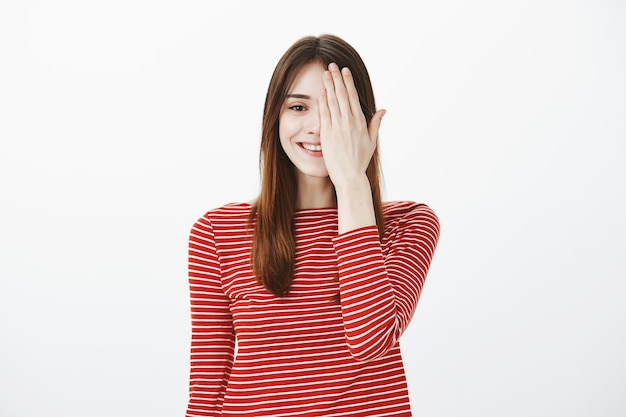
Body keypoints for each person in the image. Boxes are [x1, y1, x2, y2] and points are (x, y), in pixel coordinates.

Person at [185, 34, 440, 416]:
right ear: (275, 118)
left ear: (365, 122)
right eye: (299, 107)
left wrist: (352, 181)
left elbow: (371, 339)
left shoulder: (409, 224)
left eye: (338, 109)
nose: (319, 127)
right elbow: (208, 385)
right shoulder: (216, 232)